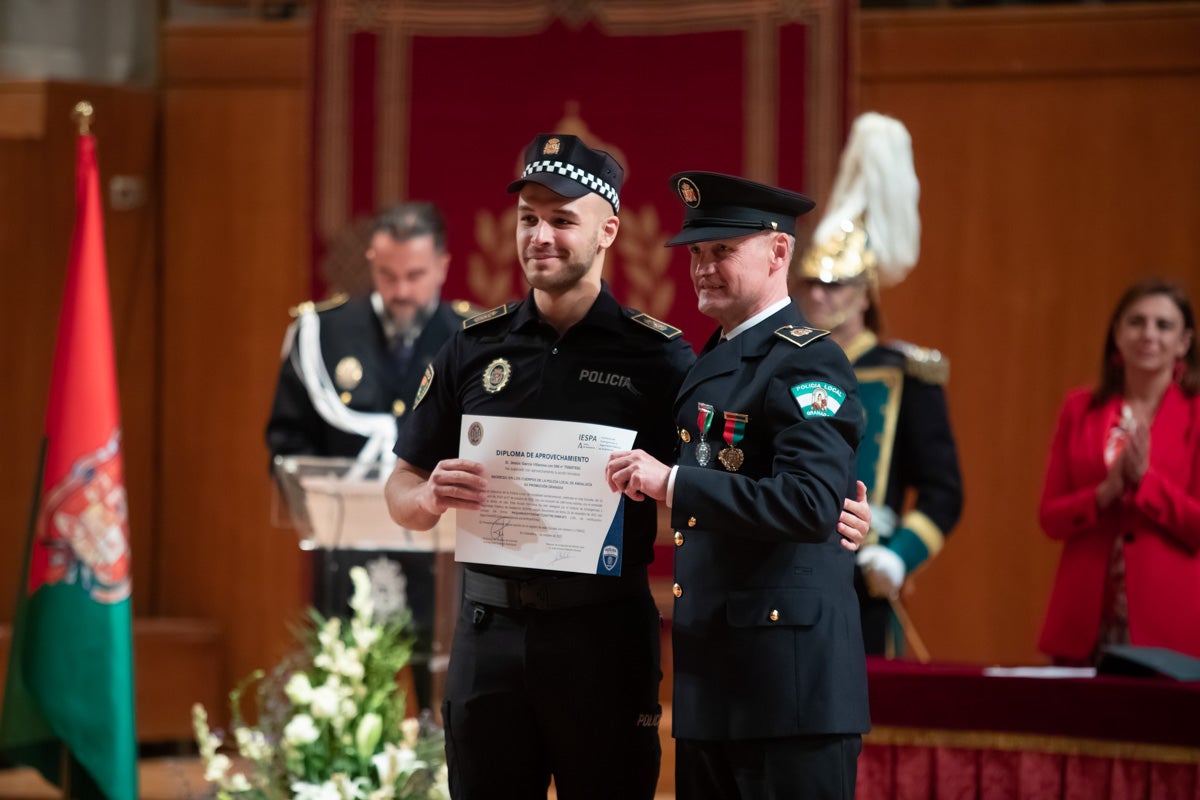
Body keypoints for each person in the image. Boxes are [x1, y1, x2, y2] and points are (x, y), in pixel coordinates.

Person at [384, 135, 872, 800]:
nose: (541, 236)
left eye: (561, 220)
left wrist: (836, 508)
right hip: (488, 631)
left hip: (604, 637)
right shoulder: (473, 347)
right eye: (528, 219)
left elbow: (730, 473)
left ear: (608, 230)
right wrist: (429, 498)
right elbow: (402, 486)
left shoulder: (665, 359)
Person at [606, 171, 869, 800]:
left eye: (722, 250)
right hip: (716, 684)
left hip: (790, 691)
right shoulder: (717, 360)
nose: (701, 267)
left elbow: (810, 503)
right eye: (697, 253)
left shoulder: (808, 358)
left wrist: (672, 482)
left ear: (779, 251)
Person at [265, 201, 475, 706]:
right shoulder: (323, 333)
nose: (402, 292)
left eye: (416, 275)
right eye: (387, 274)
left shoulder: (473, 340)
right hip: (347, 557)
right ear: (370, 261)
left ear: (443, 266)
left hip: (441, 561)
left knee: (441, 701)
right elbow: (286, 441)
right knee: (348, 704)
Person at [795, 111, 963, 658]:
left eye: (835, 285)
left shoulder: (908, 372)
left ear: (865, 293)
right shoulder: (789, 363)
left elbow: (944, 490)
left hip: (864, 582)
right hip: (789, 577)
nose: (820, 297)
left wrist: (900, 554)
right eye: (813, 285)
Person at [1038, 278, 1200, 664]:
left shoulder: (1196, 414)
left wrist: (1146, 484)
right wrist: (1103, 493)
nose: (1148, 334)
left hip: (1168, 623)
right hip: (1084, 618)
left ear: (1184, 342)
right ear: (1117, 334)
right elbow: (1050, 518)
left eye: (1164, 325)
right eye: (1136, 322)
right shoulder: (1079, 409)